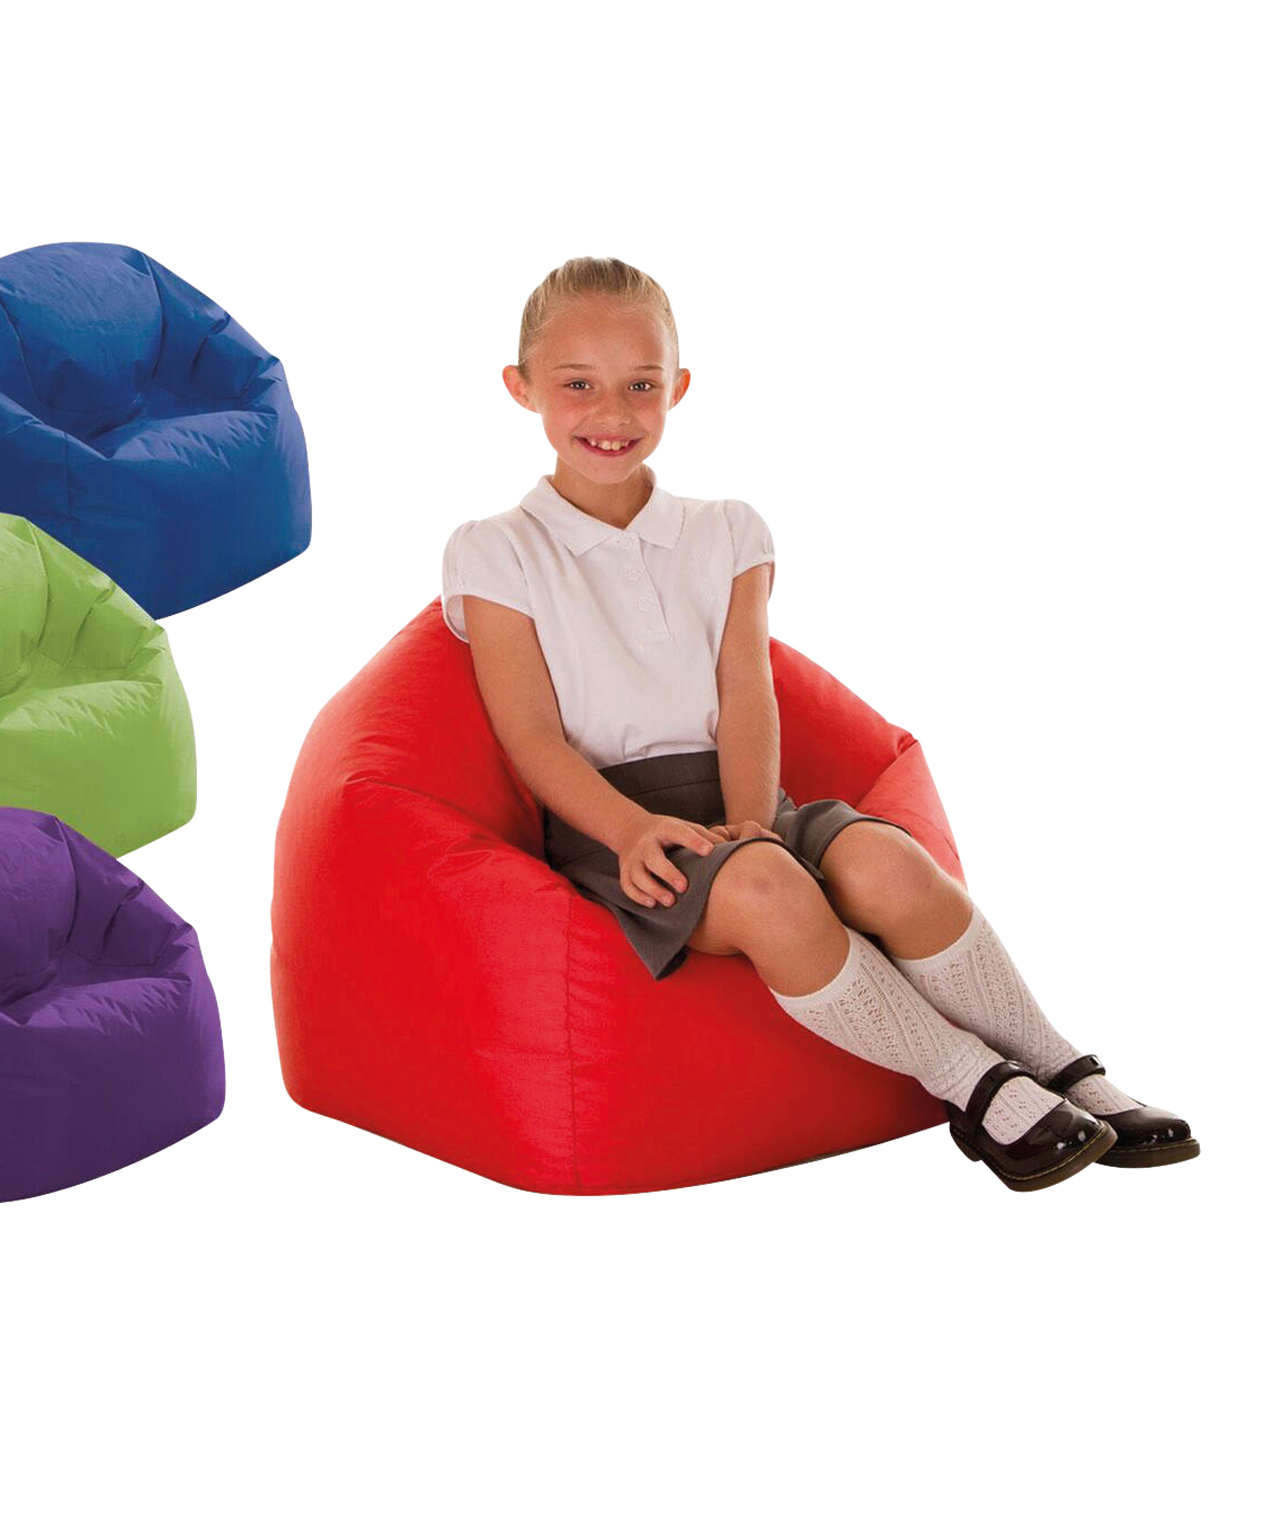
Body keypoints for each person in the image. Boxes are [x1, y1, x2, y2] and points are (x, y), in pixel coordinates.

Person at [439, 255, 1197, 1192]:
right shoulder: (497, 549)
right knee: (766, 889)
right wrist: (631, 830)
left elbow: (748, 691)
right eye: (577, 385)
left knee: (888, 864)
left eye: (641, 384)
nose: (613, 412)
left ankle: (1058, 1062)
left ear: (678, 387)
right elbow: (530, 736)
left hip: (748, 798)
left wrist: (755, 817)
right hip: (618, 828)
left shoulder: (728, 530)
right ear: (521, 389)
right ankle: (975, 1086)